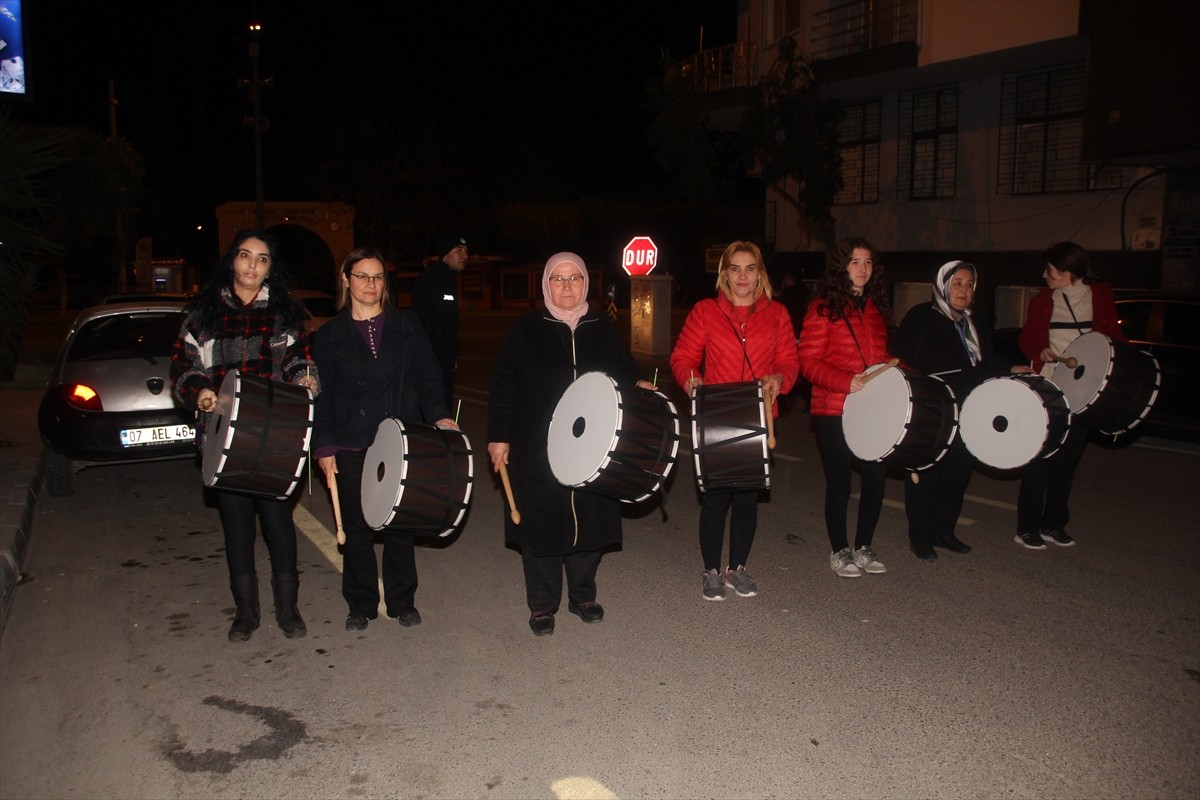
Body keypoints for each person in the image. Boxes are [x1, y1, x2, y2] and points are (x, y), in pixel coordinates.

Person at [487, 252, 655, 636]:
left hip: (593, 444)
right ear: (546, 284)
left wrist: (639, 382)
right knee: (542, 524)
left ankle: (582, 596)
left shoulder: (601, 325)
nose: (566, 286)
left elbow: (623, 366)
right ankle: (542, 606)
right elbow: (503, 385)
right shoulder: (527, 328)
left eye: (574, 278)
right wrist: (498, 437)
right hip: (538, 446)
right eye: (558, 279)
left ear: (586, 284)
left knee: (590, 520)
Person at [171, 229, 319, 642]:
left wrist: (306, 379)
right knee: (237, 527)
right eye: (245, 256)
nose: (253, 265)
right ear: (232, 261)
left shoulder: (283, 313)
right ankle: (245, 612)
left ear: (271, 267)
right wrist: (199, 392)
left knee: (278, 523)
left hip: (274, 437)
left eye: (263, 259)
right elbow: (184, 366)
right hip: (223, 437)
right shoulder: (202, 314)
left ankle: (288, 610)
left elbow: (297, 360)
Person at [311, 247, 457, 632]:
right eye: (362, 276)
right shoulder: (328, 336)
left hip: (399, 438)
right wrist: (323, 446)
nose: (370, 284)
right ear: (346, 280)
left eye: (377, 277)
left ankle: (402, 600)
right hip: (351, 440)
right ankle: (359, 603)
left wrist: (440, 416)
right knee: (357, 529)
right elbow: (322, 395)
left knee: (399, 526)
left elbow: (428, 376)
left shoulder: (407, 325)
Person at [669, 240, 799, 601]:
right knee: (715, 498)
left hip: (758, 416)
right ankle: (711, 570)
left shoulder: (777, 314)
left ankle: (737, 568)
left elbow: (789, 361)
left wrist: (780, 379)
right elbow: (682, 357)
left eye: (750, 268)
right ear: (724, 273)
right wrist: (690, 378)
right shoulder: (705, 311)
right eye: (735, 268)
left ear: (760, 274)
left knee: (746, 497)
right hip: (716, 416)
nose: (742, 276)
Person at [1014, 241, 1126, 550]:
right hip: (1051, 385)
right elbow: (1026, 339)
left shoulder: (1100, 296)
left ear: (1068, 273)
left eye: (1050, 270)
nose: (1045, 275)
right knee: (1041, 457)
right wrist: (1040, 350)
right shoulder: (1043, 301)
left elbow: (1112, 340)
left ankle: (1054, 524)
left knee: (1067, 461)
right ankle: (1027, 526)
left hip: (1085, 390)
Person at [892, 260, 1006, 561]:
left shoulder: (974, 323)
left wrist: (1011, 369)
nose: (963, 290)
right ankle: (921, 536)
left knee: (958, 474)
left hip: (970, 410)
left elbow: (985, 363)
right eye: (957, 283)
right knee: (927, 474)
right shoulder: (922, 316)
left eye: (969, 285)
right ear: (944, 285)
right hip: (934, 409)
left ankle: (945, 531)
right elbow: (903, 358)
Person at [797, 237, 892, 578]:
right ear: (841, 267)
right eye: (855, 262)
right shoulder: (823, 307)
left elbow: (879, 361)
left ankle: (863, 546)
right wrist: (844, 381)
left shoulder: (875, 309)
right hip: (834, 406)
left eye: (867, 262)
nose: (862, 269)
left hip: (872, 410)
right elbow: (807, 361)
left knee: (875, 480)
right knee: (840, 483)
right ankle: (840, 550)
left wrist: (900, 375)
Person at [412, 233, 468, 403]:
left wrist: (453, 356)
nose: (464, 256)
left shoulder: (449, 280)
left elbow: (449, 325)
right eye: (458, 251)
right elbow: (422, 324)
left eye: (466, 251)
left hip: (444, 362)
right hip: (430, 364)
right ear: (445, 255)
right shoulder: (430, 281)